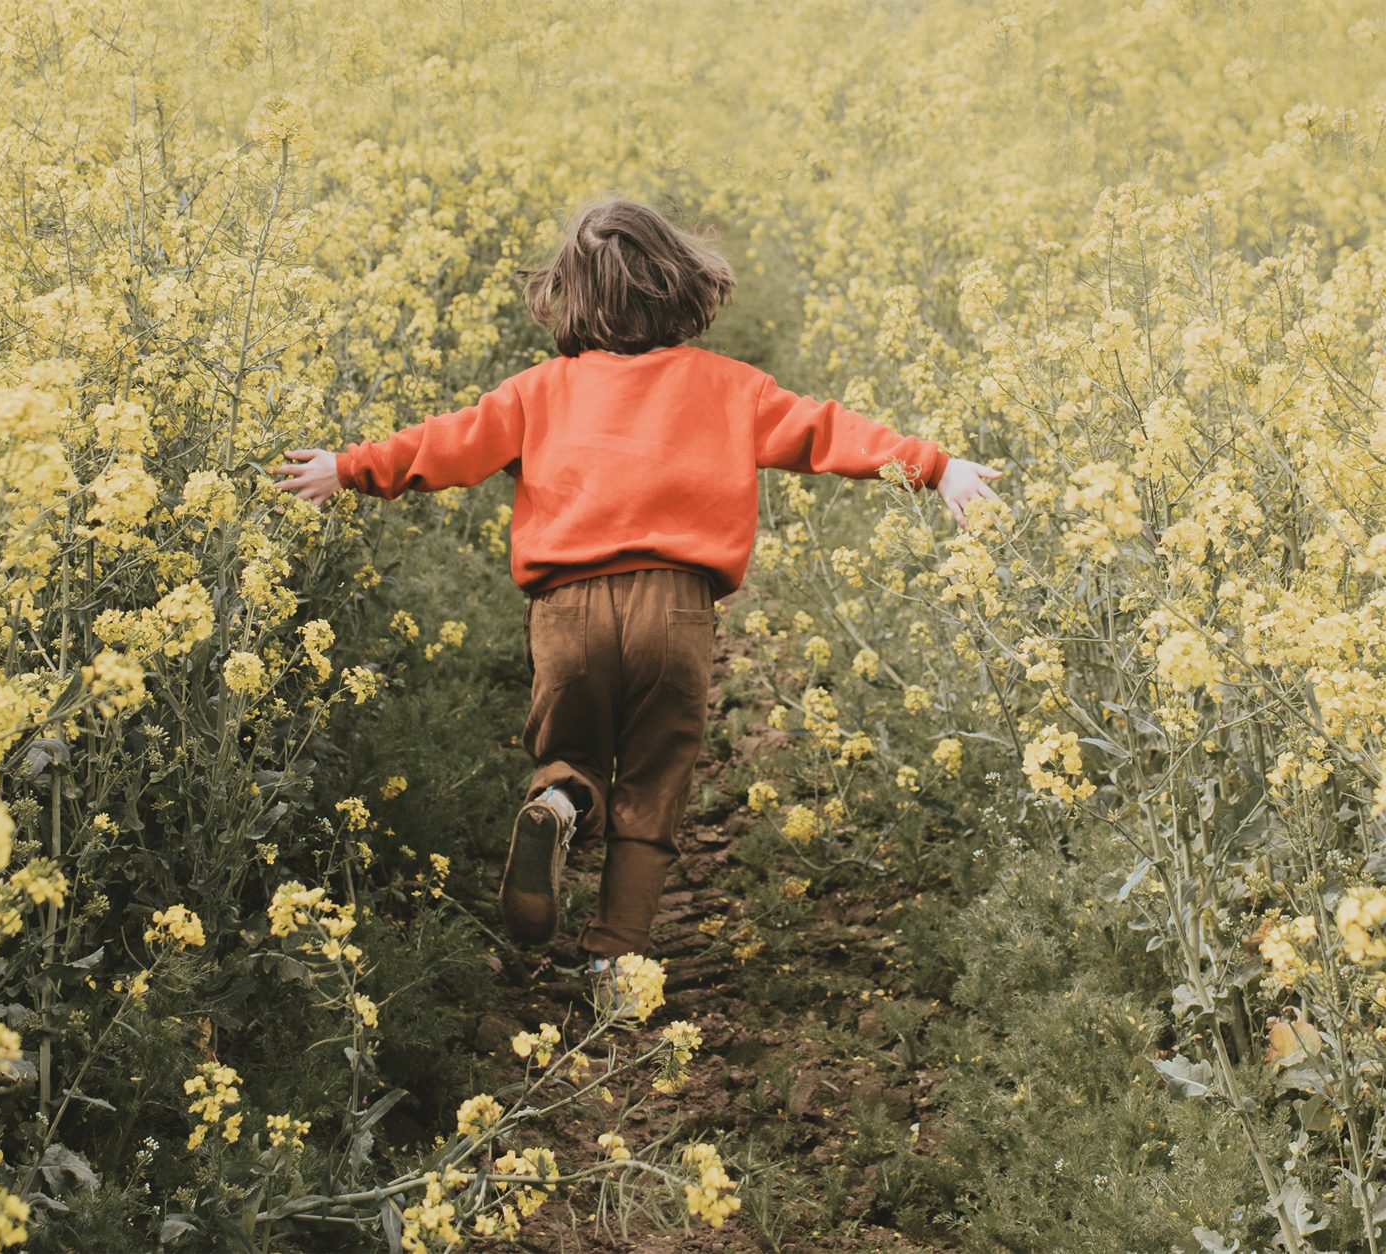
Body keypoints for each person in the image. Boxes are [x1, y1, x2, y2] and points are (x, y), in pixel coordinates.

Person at [270, 196, 1004, 1021]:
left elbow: (446, 444)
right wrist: (935, 467)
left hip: (568, 610)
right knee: (652, 782)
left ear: (566, 297)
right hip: (675, 614)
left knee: (573, 749)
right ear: (680, 285)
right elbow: (827, 431)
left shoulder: (537, 392)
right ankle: (614, 960)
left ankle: (557, 802)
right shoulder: (731, 388)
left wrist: (349, 467)